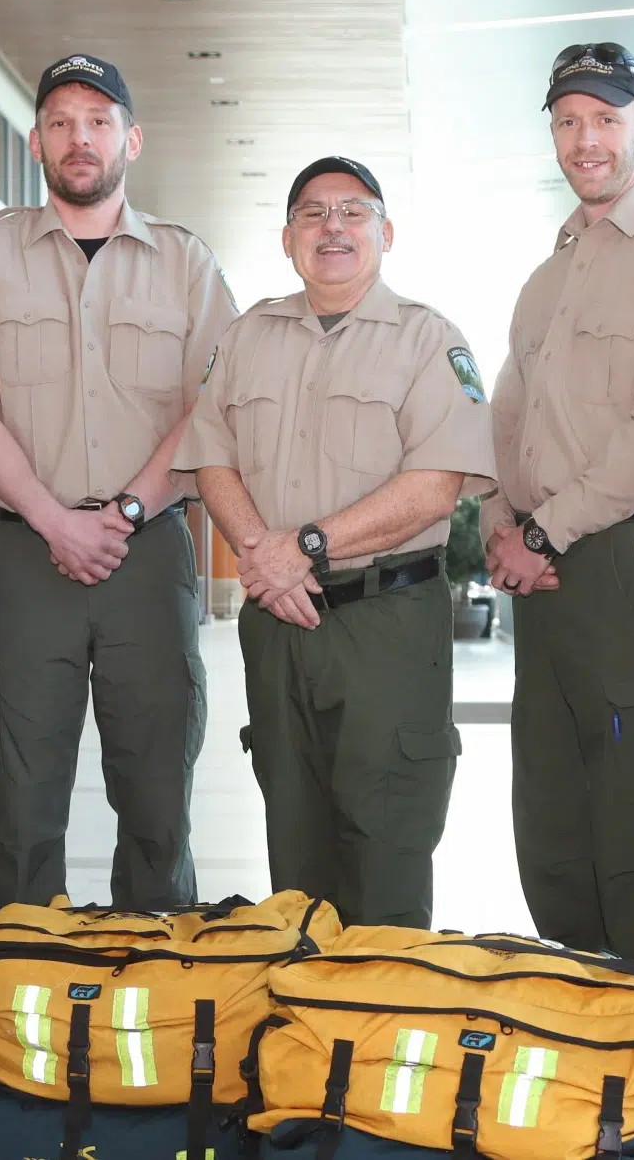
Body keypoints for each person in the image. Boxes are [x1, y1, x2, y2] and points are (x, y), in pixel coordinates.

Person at [0, 54, 236, 914]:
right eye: (60, 122)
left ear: (131, 138)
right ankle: (18, 1005)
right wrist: (55, 520)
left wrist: (125, 508)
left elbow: (213, 408)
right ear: (36, 142)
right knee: (22, 788)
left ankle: (160, 987)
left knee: (158, 791)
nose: (79, 137)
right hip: (27, 549)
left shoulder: (186, 263)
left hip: (150, 547)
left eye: (97, 120)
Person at [176, 157, 496, 928]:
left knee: (386, 842)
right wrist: (267, 556)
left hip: (386, 623)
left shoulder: (428, 340)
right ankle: (306, 1034)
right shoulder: (247, 336)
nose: (333, 227)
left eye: (353, 212)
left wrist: (308, 545)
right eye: (314, 214)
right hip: (279, 622)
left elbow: (436, 484)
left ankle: (382, 1031)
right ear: (288, 238)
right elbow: (211, 456)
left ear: (385, 233)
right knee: (294, 845)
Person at [482, 44, 634, 960]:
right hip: (543, 580)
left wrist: (542, 527)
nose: (587, 139)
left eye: (607, 118)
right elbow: (508, 415)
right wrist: (501, 523)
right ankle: (590, 1044)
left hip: (625, 565)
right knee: (555, 830)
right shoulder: (548, 279)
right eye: (570, 120)